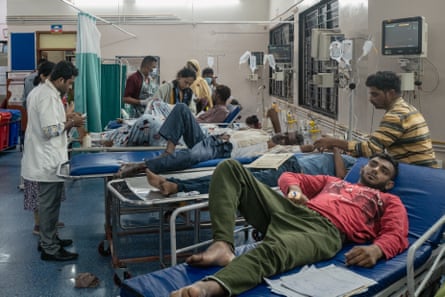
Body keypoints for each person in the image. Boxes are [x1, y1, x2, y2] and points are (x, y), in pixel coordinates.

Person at [169, 153, 408, 297]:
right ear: (363, 166)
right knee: (230, 168)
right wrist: (294, 190)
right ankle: (222, 244)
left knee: (273, 250)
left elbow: (397, 234)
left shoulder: (387, 200)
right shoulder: (332, 181)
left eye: (383, 171)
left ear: (389, 184)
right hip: (292, 210)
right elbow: (289, 177)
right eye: (373, 164)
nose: (376, 170)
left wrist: (376, 250)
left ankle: (212, 287)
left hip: (323, 230)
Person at [21, 61, 85, 261]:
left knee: (50, 204)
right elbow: (50, 131)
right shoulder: (48, 96)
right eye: (69, 83)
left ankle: (49, 239)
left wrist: (65, 117)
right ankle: (49, 248)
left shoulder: (40, 92)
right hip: (45, 160)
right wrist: (71, 122)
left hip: (44, 157)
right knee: (49, 205)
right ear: (60, 80)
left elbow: (45, 122)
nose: (70, 87)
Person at [314, 71, 437, 168]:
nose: (370, 99)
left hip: (415, 173)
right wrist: (344, 147)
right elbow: (377, 146)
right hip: (424, 171)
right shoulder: (407, 108)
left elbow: (371, 150)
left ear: (391, 93)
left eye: (375, 94)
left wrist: (334, 142)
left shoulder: (396, 115)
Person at [145, 147, 356, 197]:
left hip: (292, 174)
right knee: (226, 173)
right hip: (284, 161)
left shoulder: (357, 164)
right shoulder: (352, 155)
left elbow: (339, 180)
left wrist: (337, 149)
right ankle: (171, 182)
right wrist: (323, 148)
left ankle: (176, 185)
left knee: (231, 180)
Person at [21, 60, 60, 236]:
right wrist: (68, 123)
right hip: (40, 154)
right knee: (40, 195)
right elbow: (49, 129)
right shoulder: (43, 94)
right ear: (44, 76)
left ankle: (48, 225)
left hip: (40, 152)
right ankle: (42, 228)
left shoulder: (44, 93)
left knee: (47, 197)